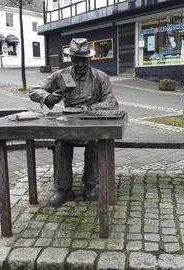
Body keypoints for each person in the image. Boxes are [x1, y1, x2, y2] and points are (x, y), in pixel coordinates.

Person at [29, 38, 118, 207]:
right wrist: (48, 97)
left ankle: (92, 184)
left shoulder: (100, 77)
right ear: (70, 59)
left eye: (83, 60)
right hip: (68, 124)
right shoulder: (60, 75)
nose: (80, 65)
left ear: (89, 59)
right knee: (61, 143)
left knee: (96, 142)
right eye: (76, 60)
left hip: (91, 123)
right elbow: (34, 90)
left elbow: (111, 101)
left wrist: (89, 108)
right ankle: (63, 189)